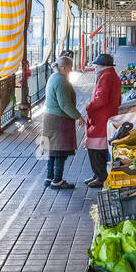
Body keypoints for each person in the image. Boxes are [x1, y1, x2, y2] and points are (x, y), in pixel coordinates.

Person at [42, 58, 84, 189]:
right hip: (58, 119)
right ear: (64, 67)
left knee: (52, 150)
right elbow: (65, 104)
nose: (71, 70)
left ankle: (49, 177)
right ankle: (57, 181)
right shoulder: (61, 81)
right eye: (70, 68)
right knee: (60, 150)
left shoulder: (53, 76)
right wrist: (78, 116)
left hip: (50, 117)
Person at [84, 52, 122, 189]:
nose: (95, 67)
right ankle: (97, 175)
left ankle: (101, 177)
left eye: (97, 65)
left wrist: (89, 106)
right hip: (107, 115)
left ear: (101, 65)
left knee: (96, 148)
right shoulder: (112, 75)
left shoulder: (105, 76)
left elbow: (101, 98)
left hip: (101, 117)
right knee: (101, 147)